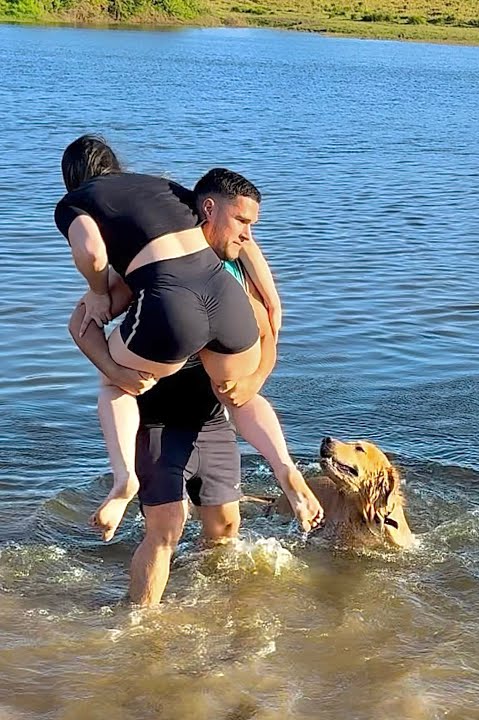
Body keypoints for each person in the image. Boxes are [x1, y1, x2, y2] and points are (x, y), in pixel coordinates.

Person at [63, 160, 322, 544]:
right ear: (207, 211)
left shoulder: (173, 256)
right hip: (200, 395)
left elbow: (83, 322)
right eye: (243, 224)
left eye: (250, 226)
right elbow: (268, 330)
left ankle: (123, 480)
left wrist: (111, 363)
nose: (247, 236)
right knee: (236, 401)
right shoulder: (231, 274)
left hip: (177, 397)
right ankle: (284, 467)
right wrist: (256, 373)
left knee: (191, 527)